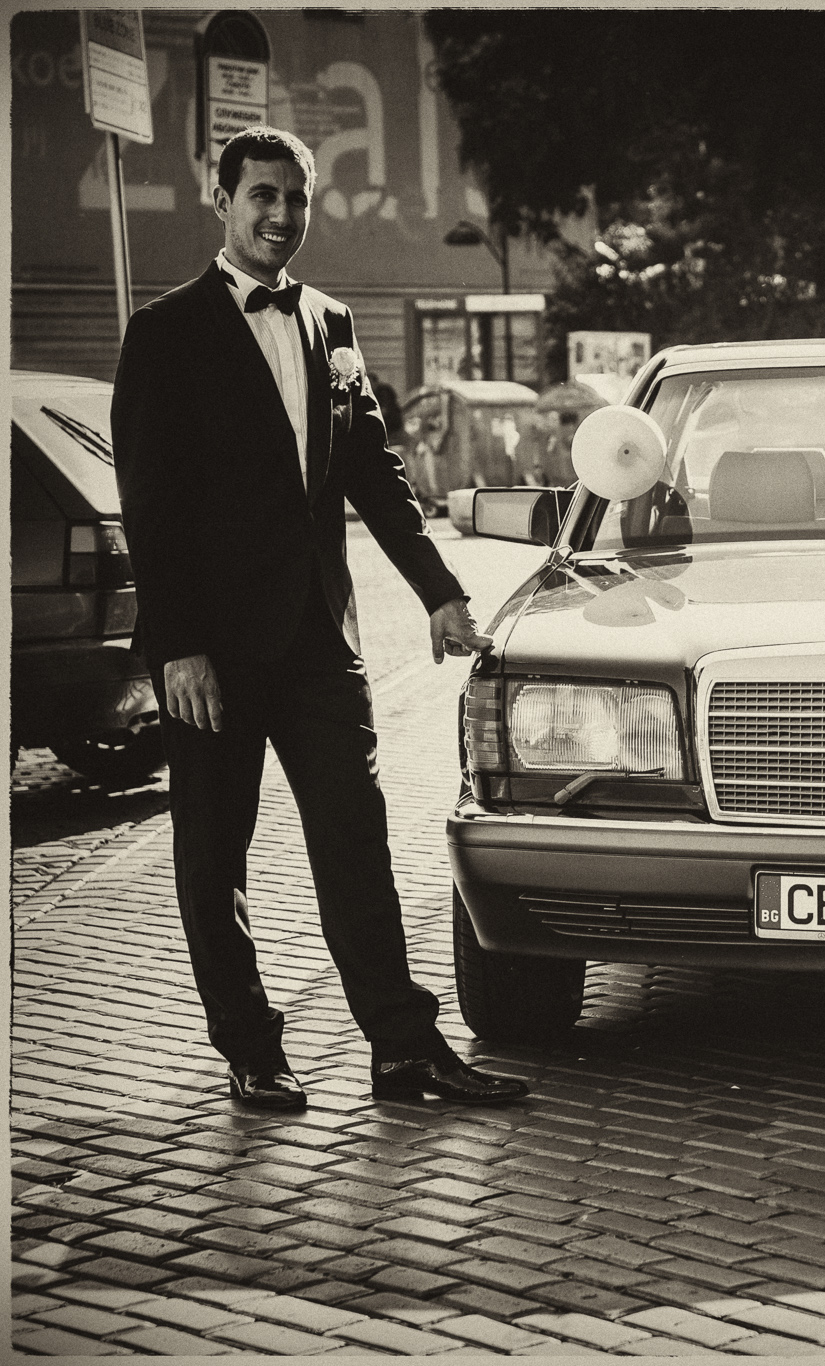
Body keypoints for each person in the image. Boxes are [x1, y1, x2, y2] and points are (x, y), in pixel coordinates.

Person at [110, 126, 529, 1111]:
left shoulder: (331, 323)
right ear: (222, 201)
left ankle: (403, 1050)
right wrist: (179, 647)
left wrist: (440, 591)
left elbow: (373, 473)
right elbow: (150, 507)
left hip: (319, 642)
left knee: (356, 842)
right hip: (211, 653)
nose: (281, 215)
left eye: (295, 198)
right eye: (262, 195)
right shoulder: (164, 333)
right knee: (214, 855)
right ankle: (252, 1049)